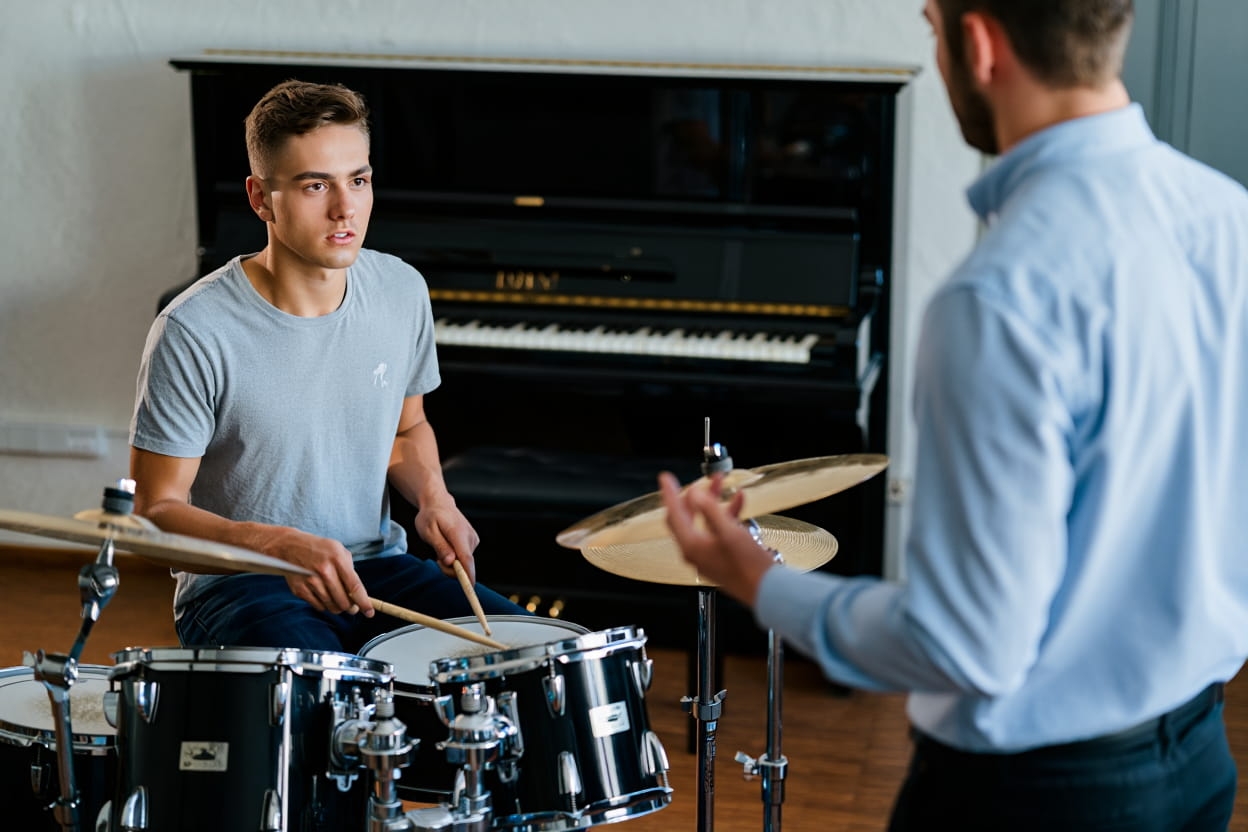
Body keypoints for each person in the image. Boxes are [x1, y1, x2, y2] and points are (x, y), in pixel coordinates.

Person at [660, 1, 1248, 830]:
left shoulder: (998, 296)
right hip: (1197, 760)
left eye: (933, 28)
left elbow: (966, 645)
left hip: (1040, 798)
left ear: (978, 43)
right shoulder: (1230, 218)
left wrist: (760, 583)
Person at [129, 79, 527, 654]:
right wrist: (280, 545)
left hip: (377, 569)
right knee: (328, 710)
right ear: (260, 198)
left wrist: (436, 498)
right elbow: (155, 512)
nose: (345, 209)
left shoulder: (400, 289)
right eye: (316, 185)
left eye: (358, 180)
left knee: (526, 659)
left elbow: (405, 428)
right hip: (245, 585)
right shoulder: (193, 330)